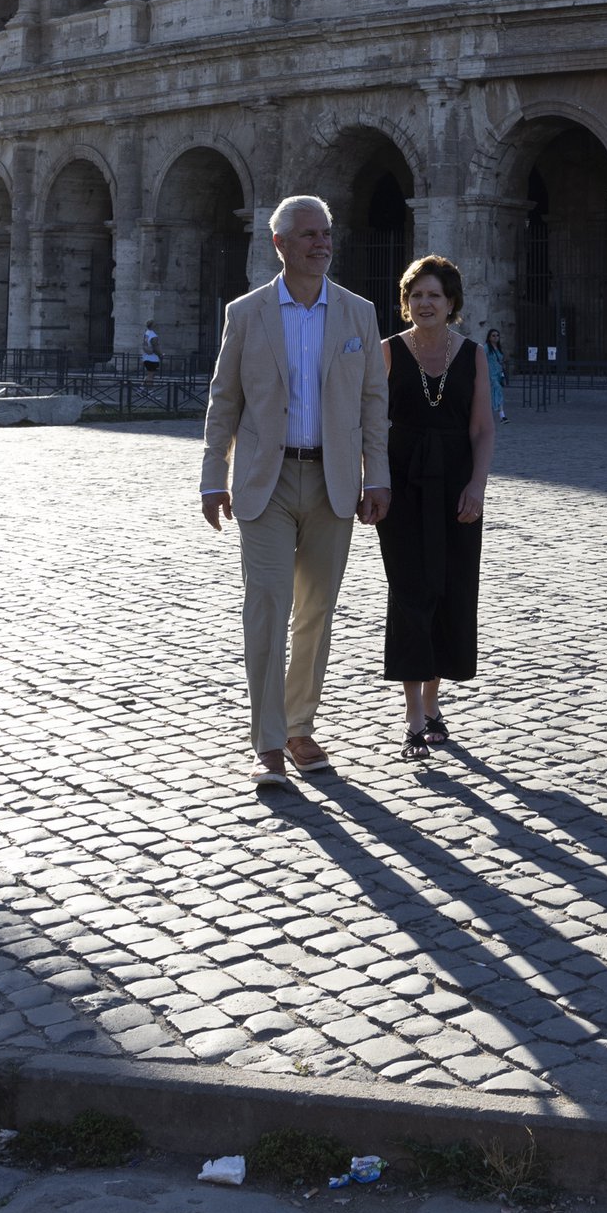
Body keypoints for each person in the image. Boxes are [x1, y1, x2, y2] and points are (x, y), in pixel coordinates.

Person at [200, 195, 388, 790]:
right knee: (268, 605)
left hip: (334, 479)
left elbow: (373, 404)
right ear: (279, 244)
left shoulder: (358, 314)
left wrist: (376, 474)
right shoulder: (248, 313)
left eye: (326, 233)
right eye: (308, 235)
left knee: (316, 613)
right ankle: (270, 741)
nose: (321, 243)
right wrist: (212, 475)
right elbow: (223, 400)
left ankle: (301, 725)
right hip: (266, 480)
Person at [378, 256, 495, 761]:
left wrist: (477, 486)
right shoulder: (386, 353)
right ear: (406, 304)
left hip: (455, 484)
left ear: (452, 305)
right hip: (401, 484)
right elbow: (370, 424)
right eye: (417, 296)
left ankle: (434, 704)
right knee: (410, 591)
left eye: (435, 296)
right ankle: (412, 716)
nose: (425, 304)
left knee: (449, 589)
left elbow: (483, 429)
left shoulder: (472, 355)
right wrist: (373, 482)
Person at [484, 326, 508, 422]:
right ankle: (502, 415)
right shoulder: (486, 348)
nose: (496, 337)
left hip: (498, 374)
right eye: (493, 335)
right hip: (490, 374)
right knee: (497, 390)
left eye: (497, 335)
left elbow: (500, 359)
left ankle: (490, 414)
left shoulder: (498, 348)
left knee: (495, 393)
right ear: (489, 337)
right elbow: (480, 357)